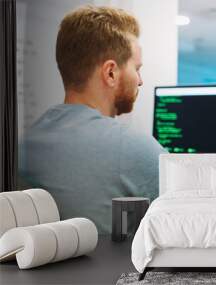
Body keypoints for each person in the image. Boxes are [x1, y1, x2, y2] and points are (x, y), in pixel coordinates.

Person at [18, 5, 166, 234]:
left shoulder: (25, 143)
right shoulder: (133, 147)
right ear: (110, 73)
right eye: (137, 69)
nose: (140, 81)